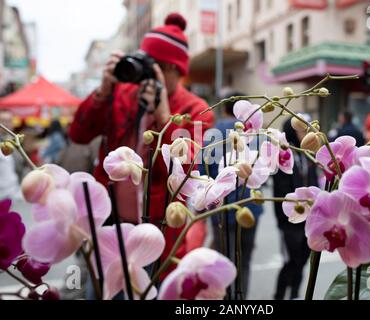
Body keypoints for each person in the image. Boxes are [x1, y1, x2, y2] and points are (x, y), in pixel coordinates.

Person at [69, 13, 214, 282]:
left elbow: (184, 168)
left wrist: (164, 116)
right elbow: (78, 134)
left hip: (155, 231)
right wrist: (102, 92)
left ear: (174, 69)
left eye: (154, 65)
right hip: (109, 222)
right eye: (143, 62)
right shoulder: (122, 94)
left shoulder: (196, 109)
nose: (145, 73)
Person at [200, 92, 263, 298]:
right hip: (249, 205)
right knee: (244, 260)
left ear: (223, 108)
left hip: (221, 208)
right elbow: (264, 172)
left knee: (224, 263)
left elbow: (202, 175)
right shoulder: (256, 135)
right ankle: (241, 299)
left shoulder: (212, 134)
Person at [273, 115, 318, 300]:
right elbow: (280, 189)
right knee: (292, 260)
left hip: (309, 217)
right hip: (290, 219)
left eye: (306, 129)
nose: (305, 133)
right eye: (301, 129)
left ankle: (295, 295)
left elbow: (314, 181)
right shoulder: (284, 154)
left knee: (302, 261)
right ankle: (279, 295)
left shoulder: (308, 154)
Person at [0, 109, 21, 201]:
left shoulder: (14, 140)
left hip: (14, 191)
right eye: (4, 121)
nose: (7, 124)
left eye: (9, 121)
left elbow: (19, 164)